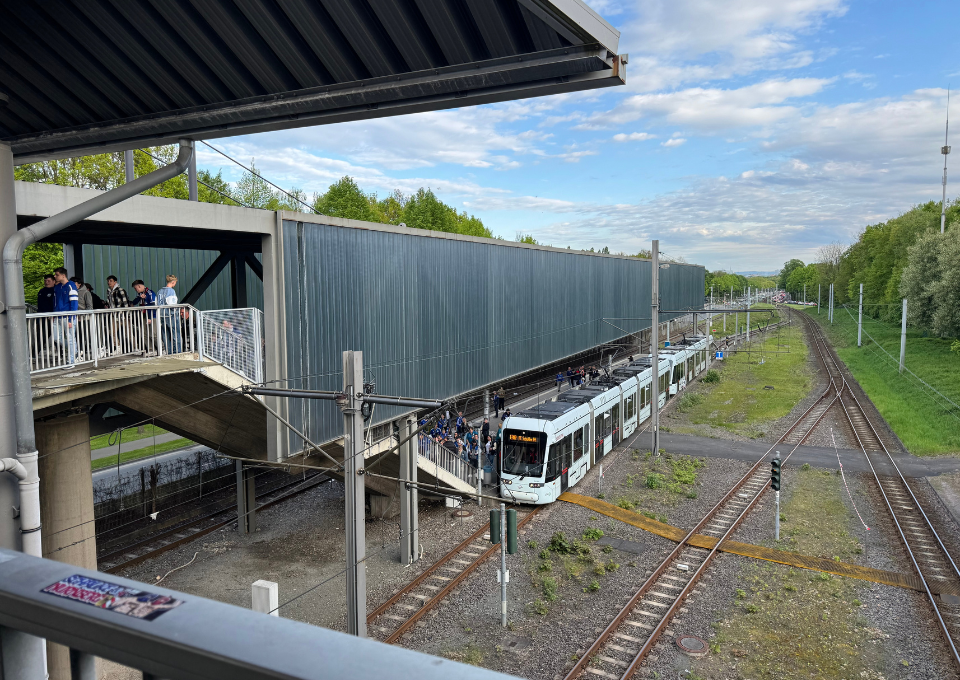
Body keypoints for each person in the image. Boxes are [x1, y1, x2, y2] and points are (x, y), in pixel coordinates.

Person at [52, 267, 78, 366]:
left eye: (57, 274)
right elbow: (55, 302)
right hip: (57, 316)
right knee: (56, 338)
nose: (55, 276)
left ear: (63, 275)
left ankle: (71, 360)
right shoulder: (58, 287)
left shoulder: (71, 285)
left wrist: (71, 318)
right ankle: (75, 351)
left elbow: (74, 303)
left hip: (67, 316)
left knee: (70, 338)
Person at [156, 274, 182, 354]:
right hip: (171, 315)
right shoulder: (171, 291)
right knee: (175, 334)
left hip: (162, 315)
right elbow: (172, 304)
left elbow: (156, 303)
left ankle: (169, 351)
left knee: (166, 336)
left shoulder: (159, 291)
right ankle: (177, 351)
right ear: (173, 282)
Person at [131, 280, 157, 354]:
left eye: (136, 288)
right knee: (145, 334)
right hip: (143, 316)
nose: (136, 290)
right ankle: (151, 350)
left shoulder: (150, 293)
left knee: (153, 334)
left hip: (152, 316)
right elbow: (134, 302)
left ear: (139, 286)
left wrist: (149, 317)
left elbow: (152, 305)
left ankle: (162, 348)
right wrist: (140, 297)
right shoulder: (140, 294)